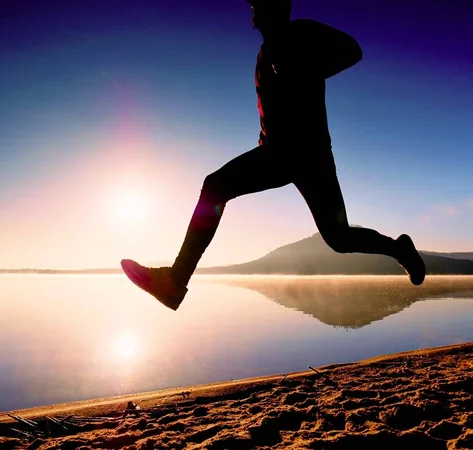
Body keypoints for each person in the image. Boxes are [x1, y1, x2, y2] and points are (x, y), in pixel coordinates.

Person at [121, 0, 426, 311]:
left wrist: (305, 66)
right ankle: (398, 248)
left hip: (304, 154)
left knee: (220, 189)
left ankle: (174, 282)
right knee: (337, 236)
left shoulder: (300, 33)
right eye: (253, 5)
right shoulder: (266, 51)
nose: (253, 11)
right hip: (281, 153)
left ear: (278, 7)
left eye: (259, 4)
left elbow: (352, 51)